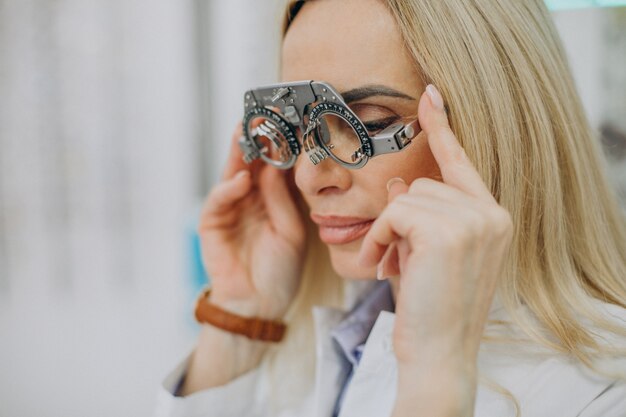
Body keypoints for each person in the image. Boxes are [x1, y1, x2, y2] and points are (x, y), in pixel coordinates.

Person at [153, 0, 626, 416]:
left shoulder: (607, 387)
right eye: (301, 130)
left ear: (500, 123)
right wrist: (240, 317)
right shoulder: (336, 341)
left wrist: (436, 373)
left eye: (370, 122)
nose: (307, 177)